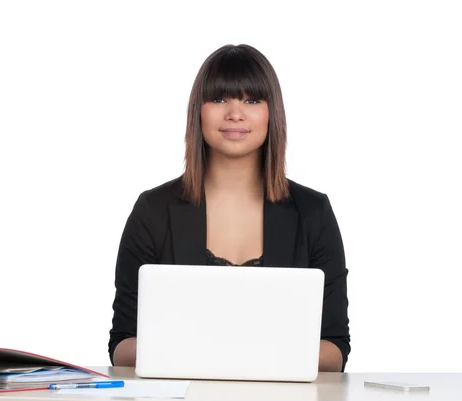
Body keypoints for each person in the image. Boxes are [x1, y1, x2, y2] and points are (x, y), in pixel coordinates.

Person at [108, 44, 350, 372]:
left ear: (271, 113)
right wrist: (252, 351)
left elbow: (334, 350)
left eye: (252, 100)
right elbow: (122, 345)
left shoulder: (313, 212)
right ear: (199, 110)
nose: (235, 113)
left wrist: (210, 351)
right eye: (219, 99)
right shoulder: (153, 210)